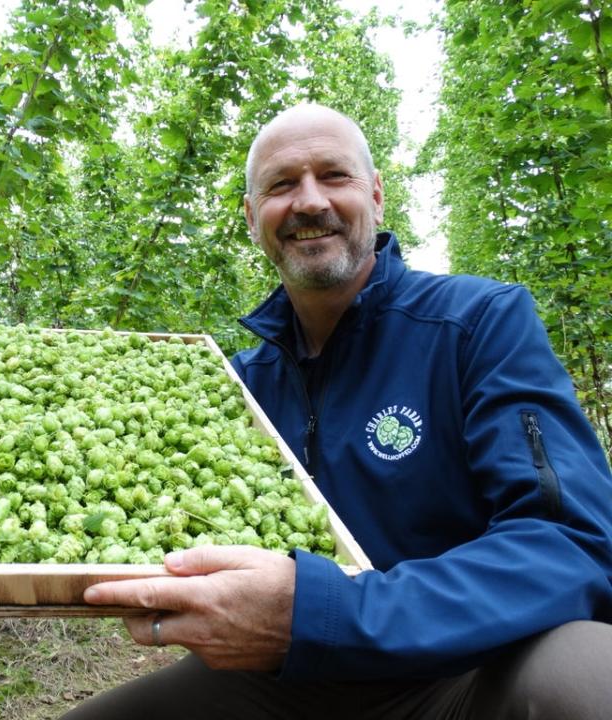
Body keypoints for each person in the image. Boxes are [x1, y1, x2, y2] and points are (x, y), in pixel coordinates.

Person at [60, 104, 612, 719]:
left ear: (375, 197)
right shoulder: (236, 382)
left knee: (589, 676)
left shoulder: (477, 323)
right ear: (251, 218)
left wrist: (324, 615)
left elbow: (571, 542)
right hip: (288, 680)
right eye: (280, 185)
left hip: (464, 672)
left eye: (334, 176)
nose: (309, 201)